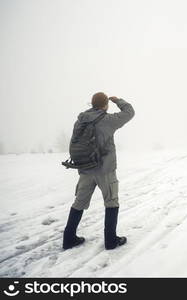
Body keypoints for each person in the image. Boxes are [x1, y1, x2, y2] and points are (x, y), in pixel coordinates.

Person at [63, 92, 135, 250]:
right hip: (105, 170)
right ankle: (111, 240)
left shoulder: (80, 120)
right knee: (111, 202)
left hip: (85, 168)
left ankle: (68, 238)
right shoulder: (107, 120)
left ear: (92, 104)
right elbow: (130, 112)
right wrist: (117, 100)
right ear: (105, 105)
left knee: (79, 203)